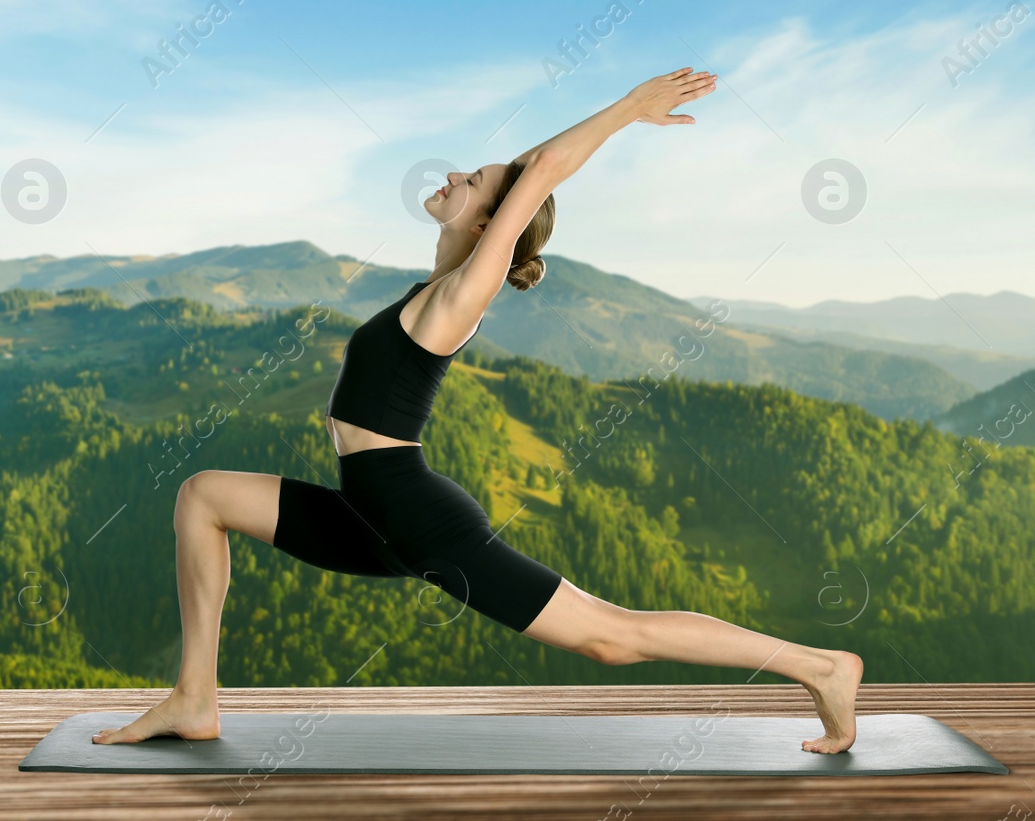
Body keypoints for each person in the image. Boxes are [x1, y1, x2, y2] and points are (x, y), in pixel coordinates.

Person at [93, 67, 863, 754]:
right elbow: (526, 172)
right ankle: (195, 698)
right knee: (203, 497)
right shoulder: (433, 286)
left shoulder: (463, 297)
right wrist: (509, 175)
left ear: (493, 225)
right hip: (369, 508)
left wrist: (630, 107)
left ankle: (820, 665)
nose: (455, 172)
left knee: (610, 637)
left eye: (474, 179)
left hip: (413, 511)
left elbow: (543, 170)